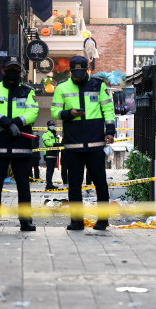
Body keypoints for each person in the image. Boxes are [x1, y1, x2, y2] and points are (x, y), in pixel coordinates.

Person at [51, 55, 116, 231]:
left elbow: (108, 109)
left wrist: (110, 131)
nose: (78, 75)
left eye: (81, 71)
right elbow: (55, 111)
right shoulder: (62, 87)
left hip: (94, 143)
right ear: (70, 71)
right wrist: (68, 113)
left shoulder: (98, 85)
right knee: (74, 184)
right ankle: (76, 221)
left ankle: (103, 220)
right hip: (73, 144)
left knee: (100, 183)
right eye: (75, 72)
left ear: (87, 70)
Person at [0, 56, 39, 232]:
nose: (13, 72)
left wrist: (17, 123)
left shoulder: (28, 91)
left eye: (16, 69)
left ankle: (25, 221)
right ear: (3, 70)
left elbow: (33, 111)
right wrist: (7, 123)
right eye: (10, 68)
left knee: (23, 185)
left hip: (20, 143)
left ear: (20, 72)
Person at [42, 120, 60, 190]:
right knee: (49, 170)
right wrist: (55, 144)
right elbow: (47, 143)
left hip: (54, 154)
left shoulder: (54, 134)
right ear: (48, 126)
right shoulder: (46, 134)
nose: (52, 126)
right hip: (48, 154)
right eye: (50, 125)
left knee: (52, 170)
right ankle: (48, 185)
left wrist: (58, 146)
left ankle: (50, 184)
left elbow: (56, 142)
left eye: (53, 124)